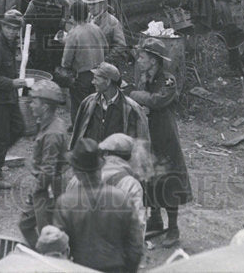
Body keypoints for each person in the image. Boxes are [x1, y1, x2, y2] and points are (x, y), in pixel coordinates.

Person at [129, 38, 191, 249]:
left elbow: (157, 101)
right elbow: (148, 101)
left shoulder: (168, 80)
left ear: (154, 60)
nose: (139, 60)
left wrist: (137, 96)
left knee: (169, 178)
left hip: (165, 136)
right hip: (147, 133)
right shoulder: (145, 77)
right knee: (147, 175)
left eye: (143, 57)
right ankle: (155, 219)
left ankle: (173, 228)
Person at [54, 138, 143, 273]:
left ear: (76, 172)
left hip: (80, 268)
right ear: (100, 168)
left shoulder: (65, 203)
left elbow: (57, 248)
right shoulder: (121, 198)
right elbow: (136, 245)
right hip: (116, 268)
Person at [0, 10, 29, 187]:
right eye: (9, 28)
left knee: (18, 128)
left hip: (8, 96)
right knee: (1, 137)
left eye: (16, 29)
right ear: (2, 26)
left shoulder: (10, 43)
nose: (12, 31)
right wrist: (12, 83)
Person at [19, 79, 69, 247]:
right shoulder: (50, 123)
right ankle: (39, 255)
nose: (30, 104)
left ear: (45, 107)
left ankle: (48, 262)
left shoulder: (53, 133)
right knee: (25, 225)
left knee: (47, 235)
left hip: (47, 190)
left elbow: (48, 168)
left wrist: (37, 190)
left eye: (34, 101)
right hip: (43, 186)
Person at [70, 61, 149, 150]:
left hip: (116, 160)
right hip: (93, 159)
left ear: (107, 81)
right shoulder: (88, 102)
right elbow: (78, 133)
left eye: (96, 79)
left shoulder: (131, 108)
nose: (92, 82)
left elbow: (140, 141)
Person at [60, 0, 107, 121]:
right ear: (87, 14)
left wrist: (65, 68)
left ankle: (80, 130)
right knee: (96, 102)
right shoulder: (97, 29)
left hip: (82, 76)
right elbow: (106, 47)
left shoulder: (73, 33)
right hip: (99, 72)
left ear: (72, 16)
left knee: (79, 105)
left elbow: (66, 60)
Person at [23, 0, 69, 73]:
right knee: (41, 50)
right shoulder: (32, 4)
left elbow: (67, 5)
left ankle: (56, 67)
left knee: (57, 48)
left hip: (56, 25)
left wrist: (64, 19)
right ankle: (42, 68)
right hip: (41, 27)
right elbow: (26, 19)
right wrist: (25, 34)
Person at [83, 0, 128, 65]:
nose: (90, 7)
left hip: (104, 65)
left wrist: (106, 60)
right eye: (89, 4)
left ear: (102, 4)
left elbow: (121, 45)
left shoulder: (112, 22)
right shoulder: (86, 19)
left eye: (94, 4)